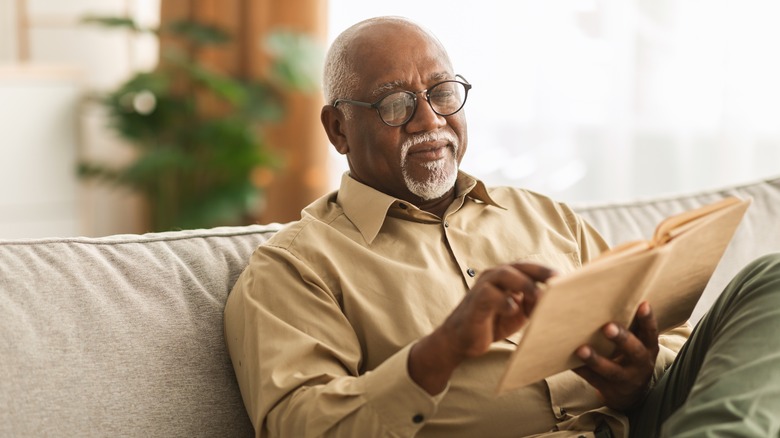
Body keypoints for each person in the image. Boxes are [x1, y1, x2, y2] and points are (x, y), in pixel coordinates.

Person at [224, 16, 780, 437]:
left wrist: (641, 377)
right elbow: (301, 424)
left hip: (643, 422)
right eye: (396, 103)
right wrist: (440, 350)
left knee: (772, 277)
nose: (430, 120)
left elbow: (671, 345)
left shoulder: (543, 215)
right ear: (338, 128)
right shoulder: (295, 266)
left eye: (442, 92)